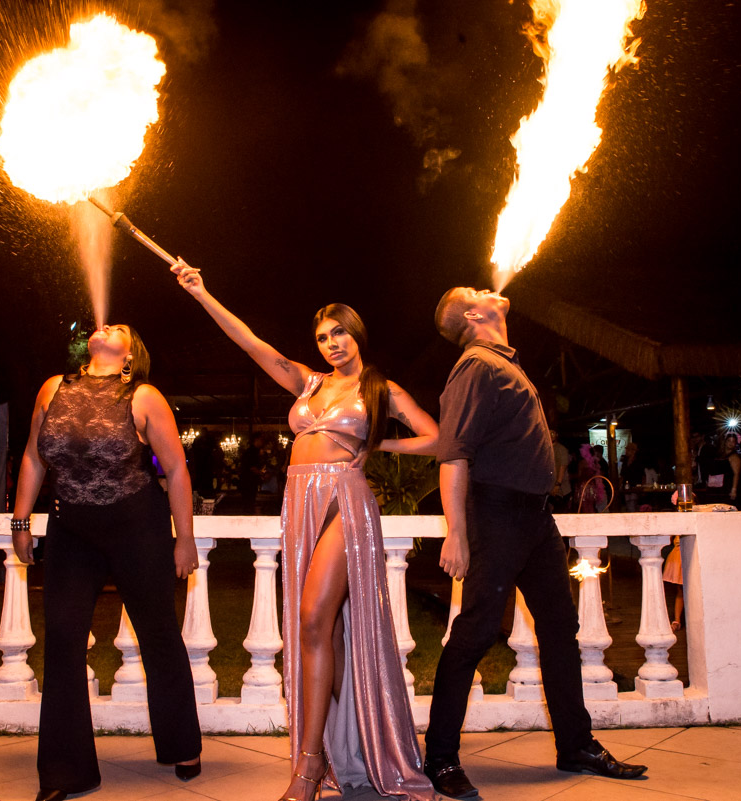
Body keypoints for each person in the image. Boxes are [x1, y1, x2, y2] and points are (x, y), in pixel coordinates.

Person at [172, 261, 439, 801]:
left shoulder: (380, 387)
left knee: (315, 615)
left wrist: (378, 446)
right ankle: (341, 747)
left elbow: (435, 437)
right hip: (300, 501)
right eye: (322, 337)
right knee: (321, 631)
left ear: (356, 333)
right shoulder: (308, 382)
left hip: (345, 497)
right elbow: (252, 344)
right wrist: (203, 293)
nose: (331, 343)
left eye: (339, 331)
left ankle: (311, 766)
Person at [425, 287, 646, 799]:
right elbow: (453, 454)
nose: (488, 290)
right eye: (476, 293)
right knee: (475, 633)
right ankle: (439, 759)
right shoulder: (476, 366)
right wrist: (457, 532)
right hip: (497, 516)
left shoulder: (505, 363)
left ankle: (576, 745)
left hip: (534, 519)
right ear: (475, 315)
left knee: (560, 630)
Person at [10, 324, 202, 801]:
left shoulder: (143, 395)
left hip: (139, 529)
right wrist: (19, 520)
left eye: (119, 327)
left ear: (131, 354)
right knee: (63, 641)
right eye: (103, 324)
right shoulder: (53, 389)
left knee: (158, 634)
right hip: (72, 531)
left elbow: (176, 469)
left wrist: (185, 540)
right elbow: (34, 457)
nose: (106, 326)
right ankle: (63, 772)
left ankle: (182, 744)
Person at [549, 432, 572, 512]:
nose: (551, 435)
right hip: (549, 486)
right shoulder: (546, 448)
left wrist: (557, 485)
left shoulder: (561, 449)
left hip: (561, 488)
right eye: (549, 433)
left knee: (559, 512)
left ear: (556, 435)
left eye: (553, 433)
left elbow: (563, 467)